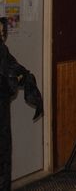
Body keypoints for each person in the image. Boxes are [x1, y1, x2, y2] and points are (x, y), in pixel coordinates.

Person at [0, 17, 43, 190]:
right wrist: (12, 80)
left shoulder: (2, 50)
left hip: (2, 113)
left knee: (3, 157)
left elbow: (16, 69)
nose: (1, 36)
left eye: (2, 33)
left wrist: (22, 77)